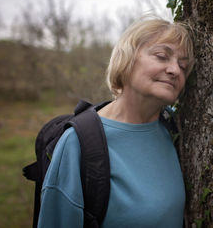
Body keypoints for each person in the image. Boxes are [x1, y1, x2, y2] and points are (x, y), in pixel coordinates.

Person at [37, 16, 195, 228]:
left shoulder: (174, 130)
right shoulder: (78, 143)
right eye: (161, 56)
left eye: (183, 66)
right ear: (127, 59)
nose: (175, 70)